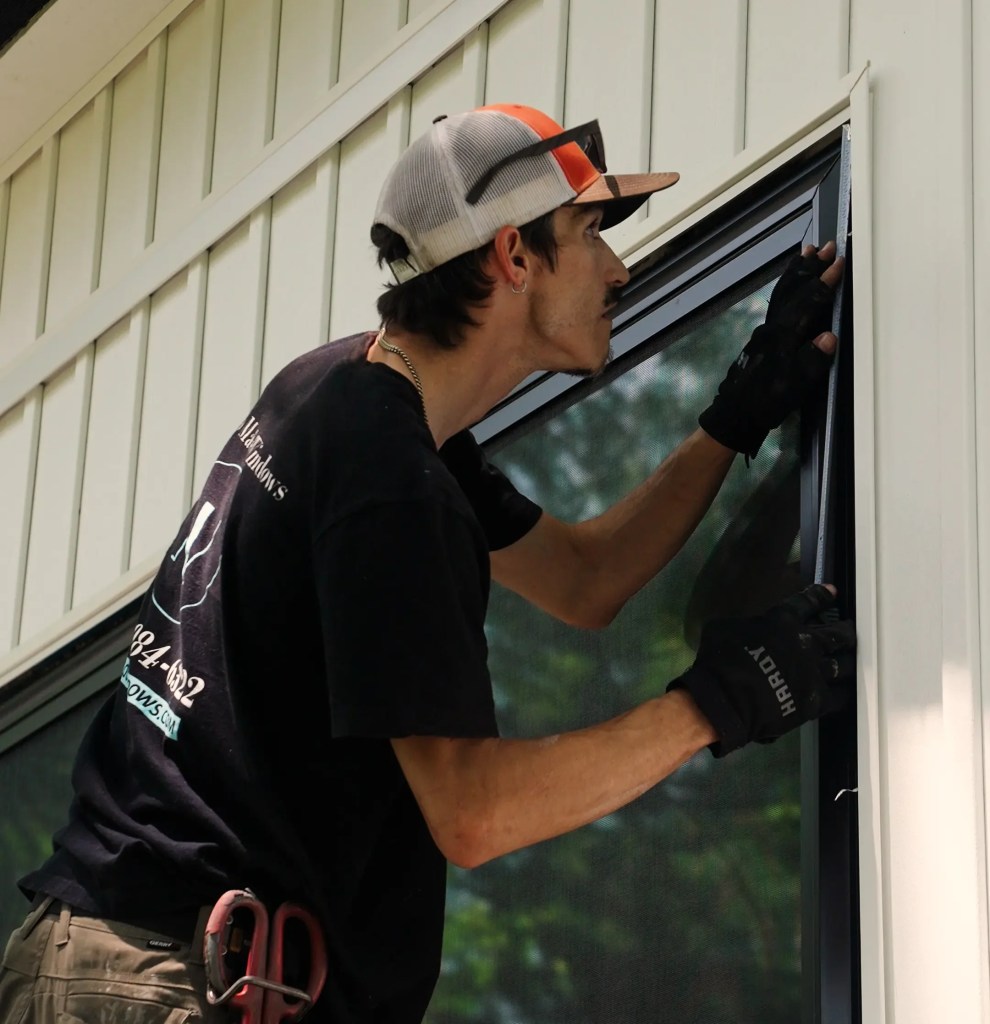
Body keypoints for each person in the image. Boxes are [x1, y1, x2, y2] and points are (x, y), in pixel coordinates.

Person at [0, 102, 854, 1023]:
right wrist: (716, 703)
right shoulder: (387, 474)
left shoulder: (346, 398)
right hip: (166, 983)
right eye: (590, 231)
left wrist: (737, 414)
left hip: (136, 965)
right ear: (512, 256)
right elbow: (475, 815)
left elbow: (583, 581)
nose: (619, 268)